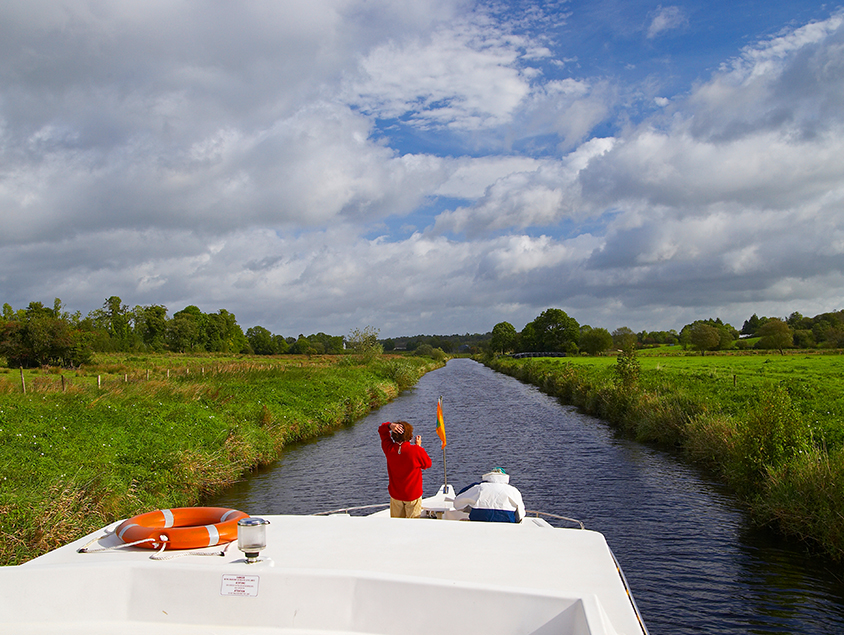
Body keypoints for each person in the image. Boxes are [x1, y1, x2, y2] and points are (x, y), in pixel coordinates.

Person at [378, 421, 432, 518]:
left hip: (396, 495)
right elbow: (427, 464)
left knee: (397, 523)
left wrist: (390, 425)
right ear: (410, 436)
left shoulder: (389, 448)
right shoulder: (416, 450)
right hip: (412, 495)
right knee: (412, 525)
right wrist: (418, 447)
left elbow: (381, 431)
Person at [448, 467, 525, 523]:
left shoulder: (479, 488)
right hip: (506, 525)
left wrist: (469, 508)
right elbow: (521, 514)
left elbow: (457, 503)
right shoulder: (513, 491)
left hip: (479, 523)